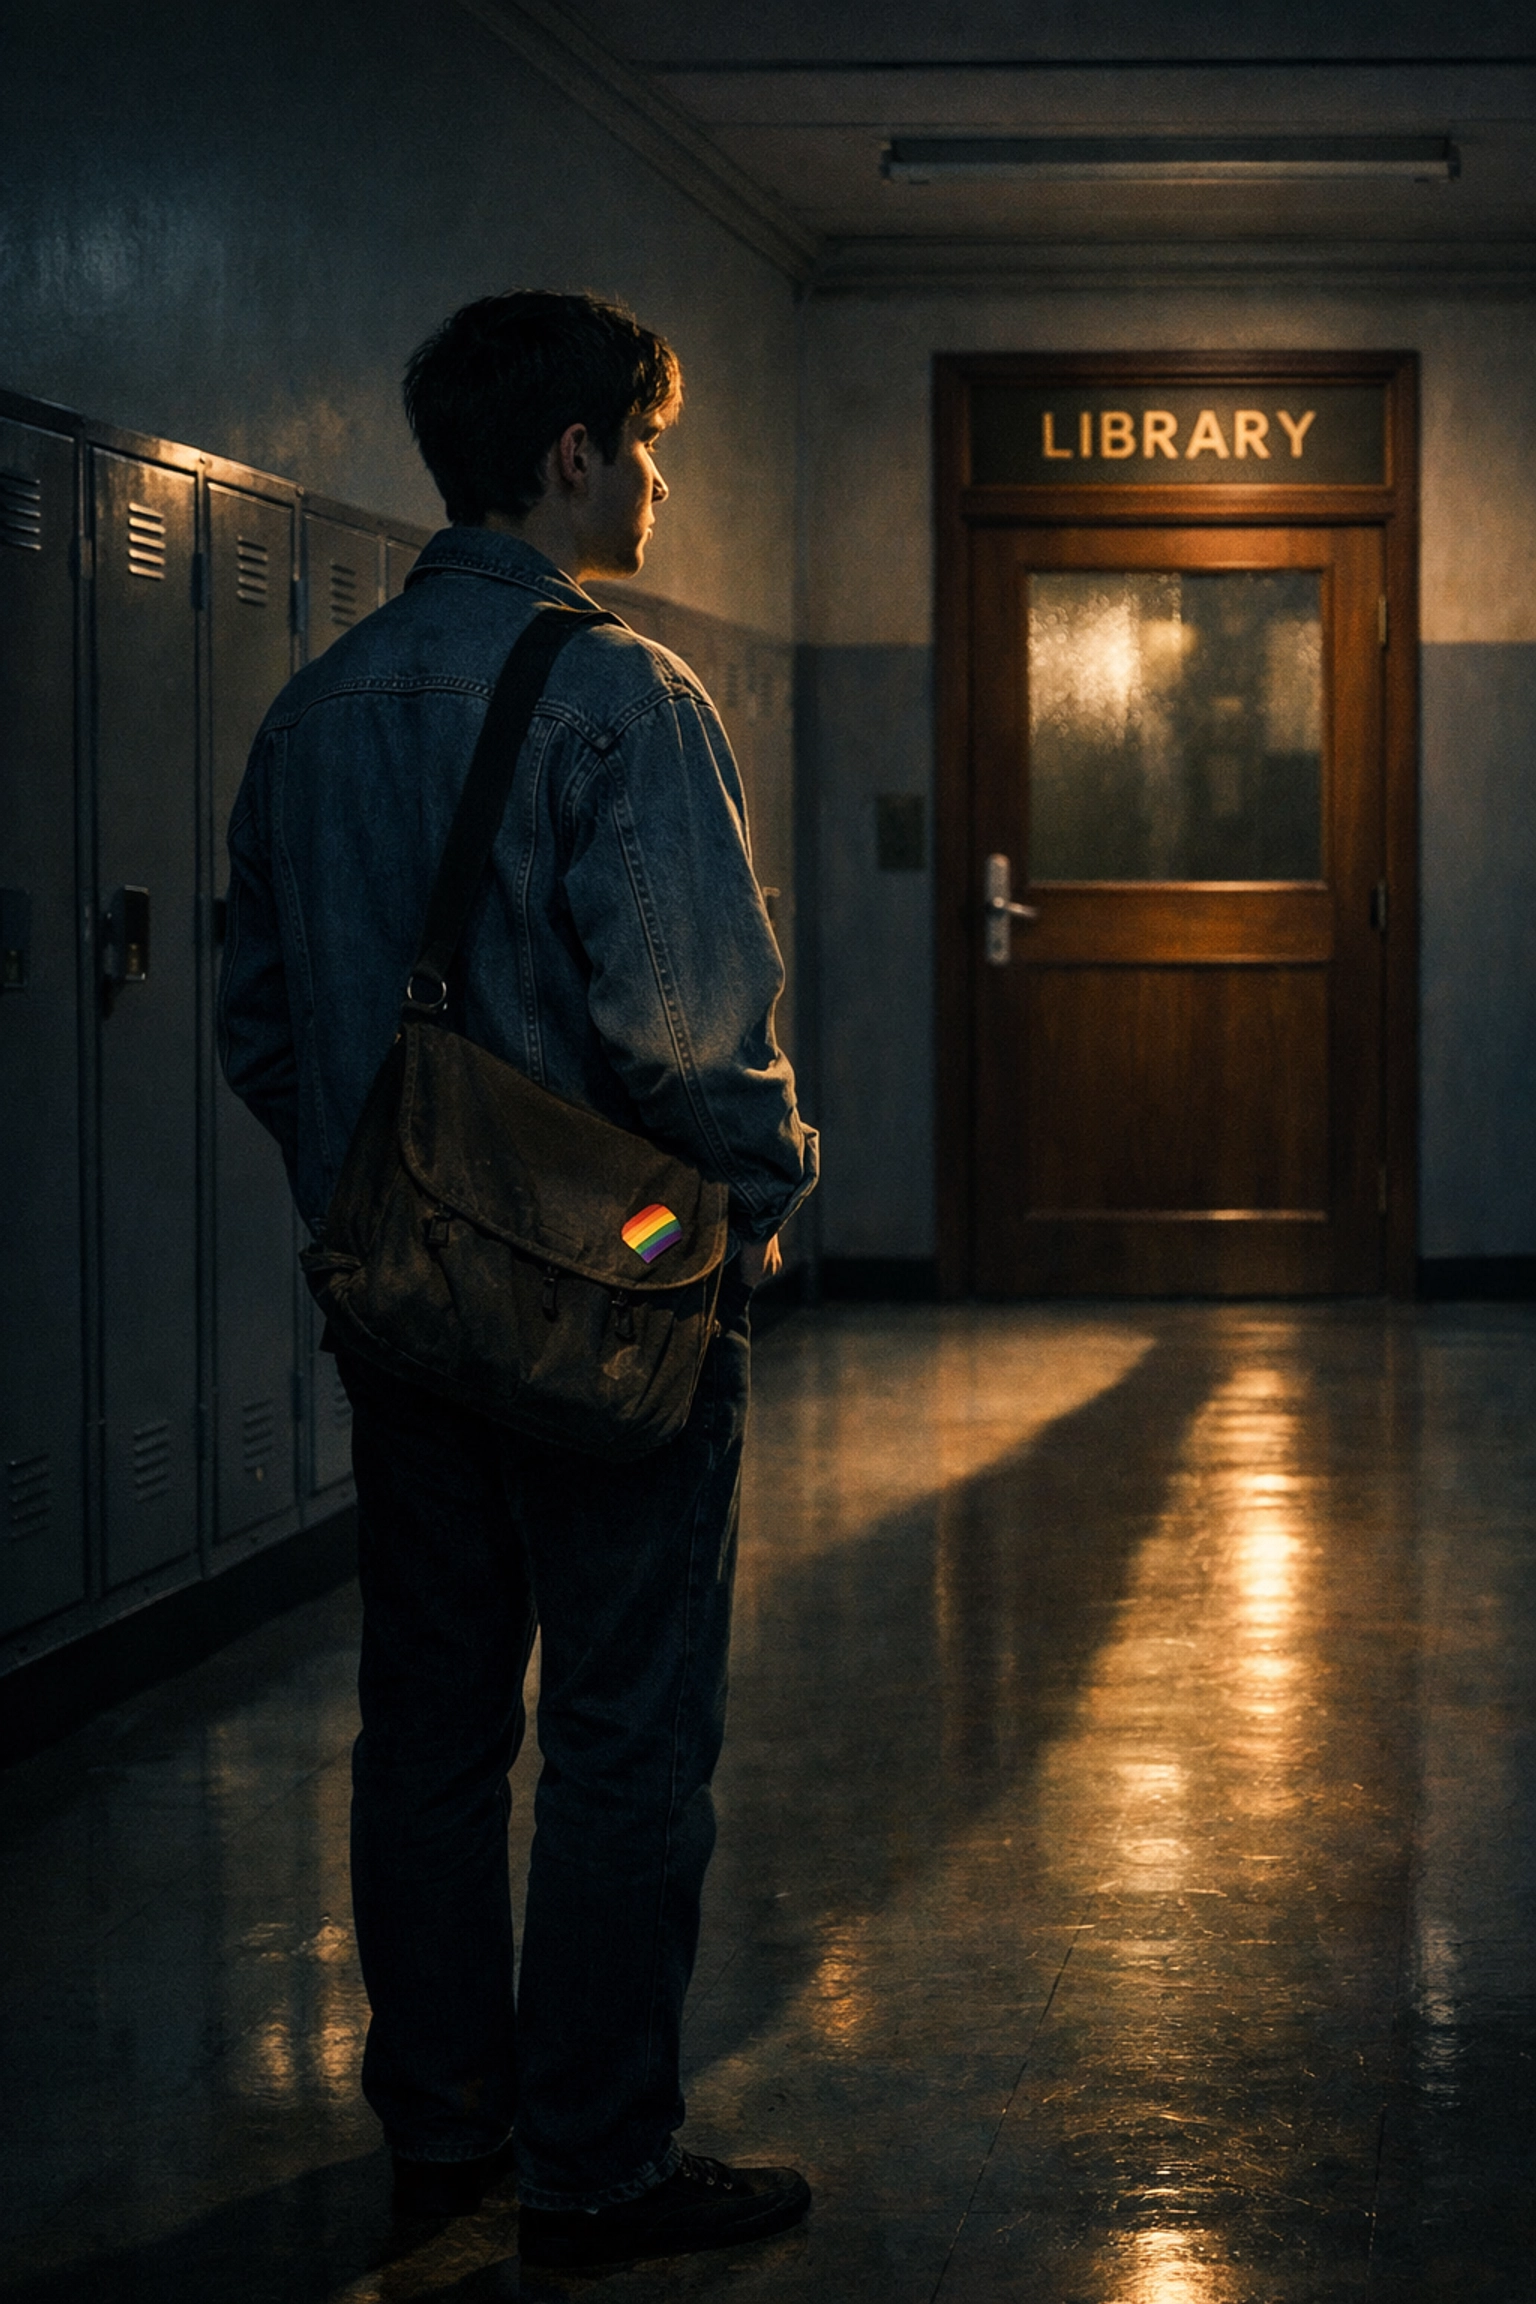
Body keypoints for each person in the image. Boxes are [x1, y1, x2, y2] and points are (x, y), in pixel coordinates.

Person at [218, 291, 817, 2273]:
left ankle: (442, 2135)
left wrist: (379, 1201)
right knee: (628, 1734)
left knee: (434, 1724)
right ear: (571, 454)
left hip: (404, 1313)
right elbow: (687, 1032)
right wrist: (738, 1213)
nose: (653, 480)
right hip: (612, 1321)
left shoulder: (316, 709)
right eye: (642, 443)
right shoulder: (618, 695)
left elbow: (266, 1025)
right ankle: (594, 2163)